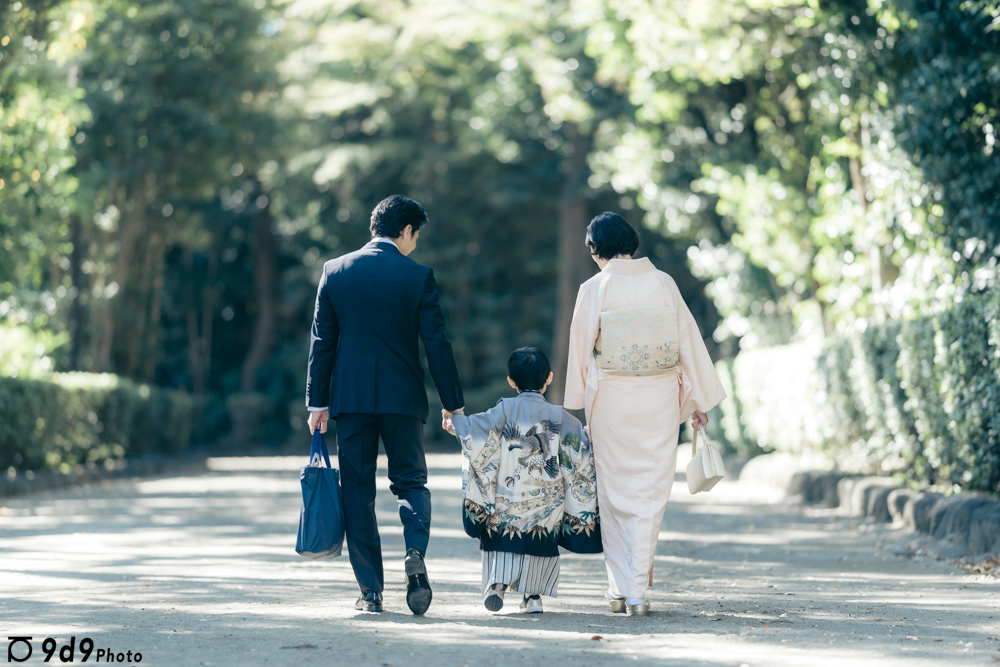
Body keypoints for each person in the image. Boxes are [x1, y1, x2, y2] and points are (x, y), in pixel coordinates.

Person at [305, 194, 465, 615]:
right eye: (417, 235)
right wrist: (453, 404)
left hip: (351, 399)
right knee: (411, 482)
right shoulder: (417, 276)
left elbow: (323, 344)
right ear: (407, 230)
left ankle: (371, 592)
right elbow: (436, 344)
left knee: (356, 491)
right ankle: (414, 551)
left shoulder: (335, 271)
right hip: (402, 398)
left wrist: (317, 403)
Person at [563, 212, 726, 616]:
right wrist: (697, 402)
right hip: (658, 398)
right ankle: (634, 590)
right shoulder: (663, 283)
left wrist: (576, 404)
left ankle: (621, 587)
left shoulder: (594, 287)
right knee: (651, 492)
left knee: (614, 492)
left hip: (612, 399)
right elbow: (687, 343)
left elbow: (581, 350)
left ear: (595, 248)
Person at [443, 347, 602, 614]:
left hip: (508, 502)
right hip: (546, 506)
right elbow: (583, 447)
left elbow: (476, 433)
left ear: (511, 381)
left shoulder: (504, 409)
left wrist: (456, 423)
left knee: (503, 535)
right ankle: (533, 598)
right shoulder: (560, 416)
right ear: (549, 378)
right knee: (541, 541)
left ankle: (497, 585)